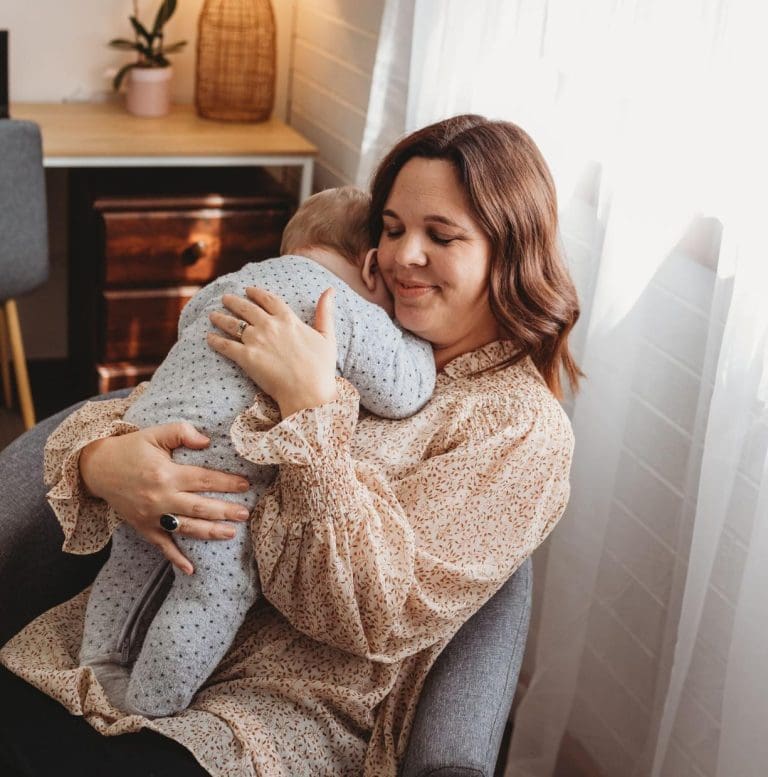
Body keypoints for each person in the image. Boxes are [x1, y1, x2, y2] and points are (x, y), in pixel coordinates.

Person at [0, 113, 581, 777]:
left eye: (440, 236)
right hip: (131, 637)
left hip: (273, 713)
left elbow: (369, 613)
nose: (402, 256)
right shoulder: (360, 318)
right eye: (391, 229)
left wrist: (314, 409)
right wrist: (107, 464)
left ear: (509, 251)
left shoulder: (520, 430)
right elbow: (175, 398)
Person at [77, 185, 436, 719]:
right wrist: (419, 345)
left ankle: (97, 663)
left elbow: (185, 327)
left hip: (145, 437)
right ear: (369, 266)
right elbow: (402, 391)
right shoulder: (341, 311)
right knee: (210, 594)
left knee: (131, 558)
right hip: (216, 477)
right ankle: (149, 707)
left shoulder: (232, 282)